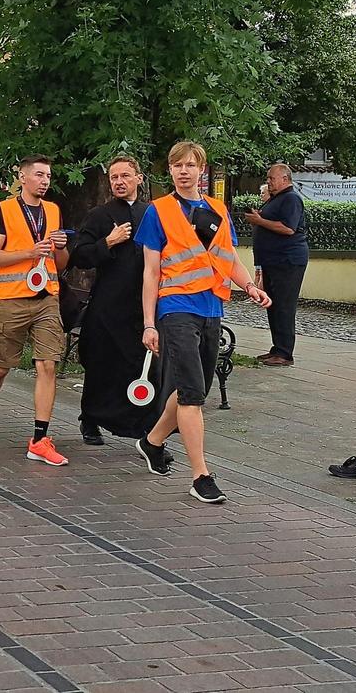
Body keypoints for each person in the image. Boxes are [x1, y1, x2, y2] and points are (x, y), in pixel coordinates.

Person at [135, 141, 270, 504]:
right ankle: (201, 476)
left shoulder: (217, 210)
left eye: (190, 165)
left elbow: (228, 259)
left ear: (201, 170)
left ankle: (152, 442)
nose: (183, 171)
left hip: (211, 308)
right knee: (193, 393)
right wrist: (149, 323)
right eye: (177, 165)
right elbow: (150, 272)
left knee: (192, 390)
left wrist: (250, 286)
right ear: (170, 170)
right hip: (175, 308)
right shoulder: (157, 211)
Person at [0, 155, 71, 465]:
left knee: (47, 365)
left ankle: (40, 439)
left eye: (48, 176)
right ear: (23, 178)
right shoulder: (5, 210)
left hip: (46, 298)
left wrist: (62, 247)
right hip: (11, 298)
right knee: (2, 366)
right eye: (39, 175)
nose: (44, 181)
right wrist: (30, 251)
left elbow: (62, 264)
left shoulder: (53, 211)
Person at [70, 156, 154, 444]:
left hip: (142, 304)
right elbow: (79, 256)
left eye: (125, 176)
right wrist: (108, 242)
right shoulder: (99, 215)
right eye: (114, 177)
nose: (119, 182)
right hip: (108, 303)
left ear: (139, 179)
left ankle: (140, 427)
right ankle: (90, 418)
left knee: (139, 366)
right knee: (101, 363)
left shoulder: (151, 213)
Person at [244, 164, 308, 367]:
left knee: (283, 307)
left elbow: (288, 228)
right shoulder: (277, 198)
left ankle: (285, 352)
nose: (269, 181)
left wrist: (260, 221)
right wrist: (259, 218)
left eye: (272, 178)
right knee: (273, 305)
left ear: (285, 178)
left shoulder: (291, 198)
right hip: (273, 261)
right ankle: (277, 348)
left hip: (287, 261)